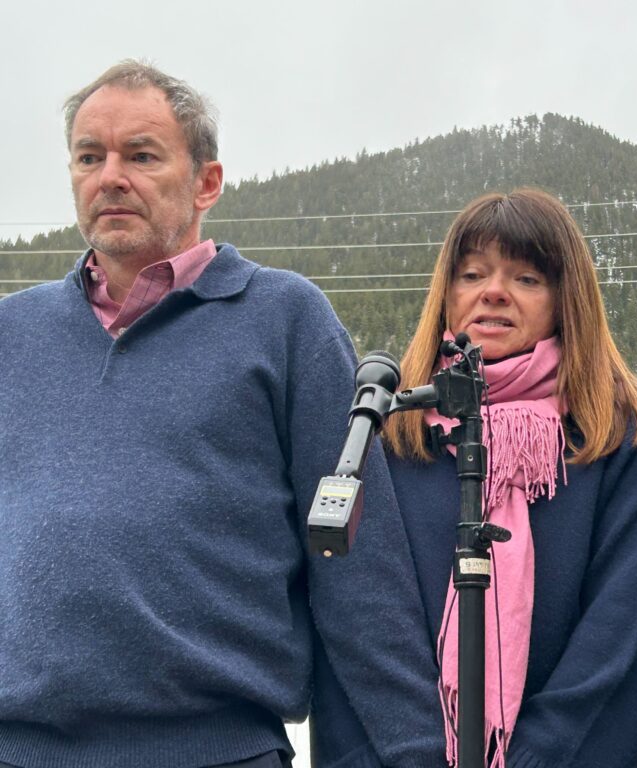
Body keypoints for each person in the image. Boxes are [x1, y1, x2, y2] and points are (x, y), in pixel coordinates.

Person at [0, 60, 445, 768]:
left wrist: (415, 752)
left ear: (207, 181)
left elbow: (358, 567)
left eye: (141, 155)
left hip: (220, 751)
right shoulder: (12, 334)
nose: (109, 175)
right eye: (90, 156)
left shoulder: (285, 320)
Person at [317, 188, 637, 767]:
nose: (494, 292)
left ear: (567, 299)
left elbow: (623, 620)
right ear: (446, 293)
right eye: (472, 274)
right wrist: (419, 752)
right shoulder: (387, 429)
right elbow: (361, 617)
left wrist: (544, 751)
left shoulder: (623, 435)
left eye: (527, 278)